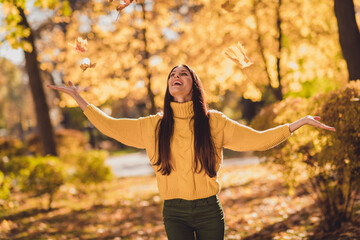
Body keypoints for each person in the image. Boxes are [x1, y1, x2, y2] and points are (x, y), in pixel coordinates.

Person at [47, 64, 335, 240]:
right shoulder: (154, 126)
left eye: (184, 74)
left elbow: (258, 140)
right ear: (169, 86)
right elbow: (111, 127)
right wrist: (79, 99)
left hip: (209, 210)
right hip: (175, 213)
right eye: (173, 74)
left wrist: (299, 123)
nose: (177, 76)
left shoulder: (214, 122)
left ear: (193, 85)